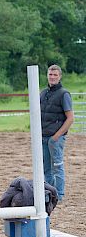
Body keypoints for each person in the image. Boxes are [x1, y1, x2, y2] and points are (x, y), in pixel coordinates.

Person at [40, 64, 74, 202]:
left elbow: (70, 118)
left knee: (57, 167)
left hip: (55, 138)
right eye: (50, 74)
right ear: (47, 76)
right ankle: (49, 195)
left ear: (60, 77)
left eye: (55, 75)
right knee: (46, 168)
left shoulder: (64, 94)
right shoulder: (43, 93)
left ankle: (59, 195)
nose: (52, 77)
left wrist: (56, 136)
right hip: (43, 137)